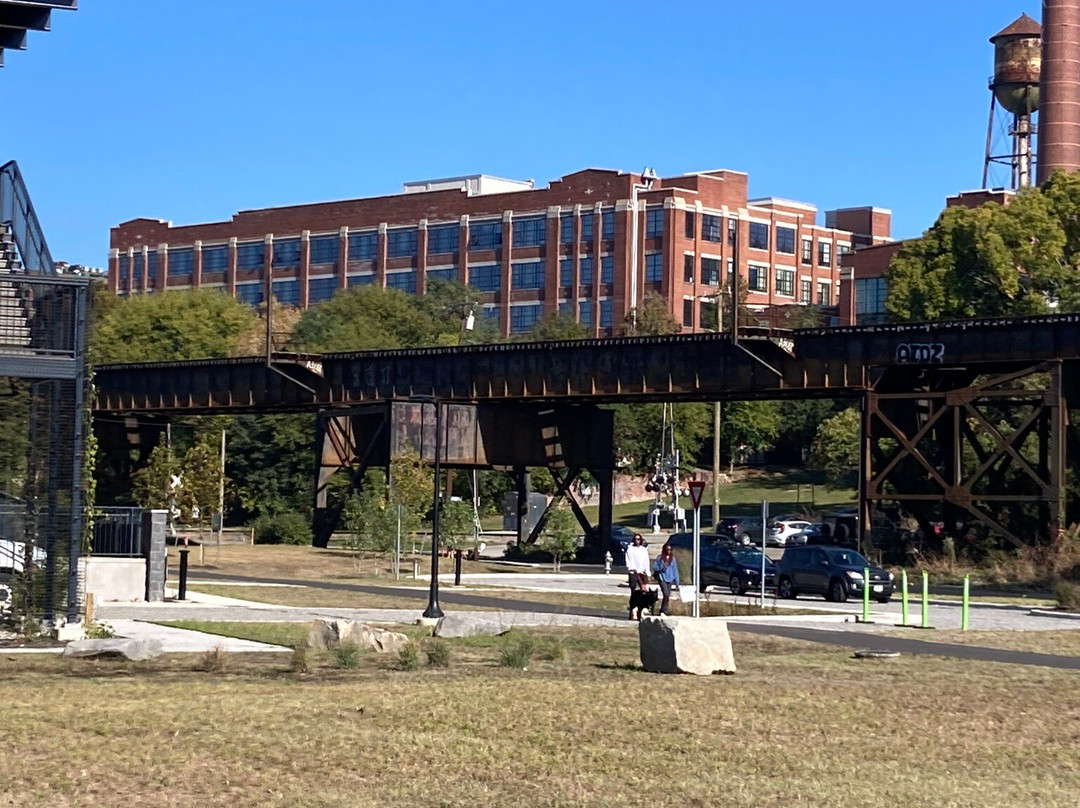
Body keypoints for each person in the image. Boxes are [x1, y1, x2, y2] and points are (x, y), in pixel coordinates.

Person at [624, 534, 651, 620]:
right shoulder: (630, 549)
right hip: (633, 572)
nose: (637, 541)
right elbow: (628, 560)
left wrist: (647, 572)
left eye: (639, 539)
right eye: (635, 539)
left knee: (642, 592)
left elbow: (646, 561)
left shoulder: (643, 550)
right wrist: (631, 568)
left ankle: (640, 611)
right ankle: (632, 611)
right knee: (633, 592)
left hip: (641, 573)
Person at [652, 543, 680, 615]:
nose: (669, 551)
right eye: (667, 549)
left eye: (670, 550)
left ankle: (664, 610)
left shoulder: (673, 559)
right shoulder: (660, 558)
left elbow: (675, 570)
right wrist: (662, 567)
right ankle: (663, 610)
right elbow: (655, 567)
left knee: (667, 596)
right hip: (662, 578)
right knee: (666, 594)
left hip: (670, 579)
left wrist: (677, 582)